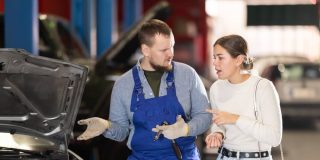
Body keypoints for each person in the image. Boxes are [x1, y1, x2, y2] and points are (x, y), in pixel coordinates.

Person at [77, 19, 212, 160]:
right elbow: (122, 131)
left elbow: (205, 116)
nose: (170, 54)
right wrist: (106, 125)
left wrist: (185, 129)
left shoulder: (187, 75)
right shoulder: (123, 84)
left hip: (183, 156)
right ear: (146, 50)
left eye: (172, 46)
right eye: (163, 50)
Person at [205, 35, 282, 160]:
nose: (214, 63)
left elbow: (274, 137)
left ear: (238, 60)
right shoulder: (216, 88)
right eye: (214, 57)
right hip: (223, 156)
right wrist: (218, 133)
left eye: (220, 58)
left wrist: (236, 119)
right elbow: (219, 123)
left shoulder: (263, 87)